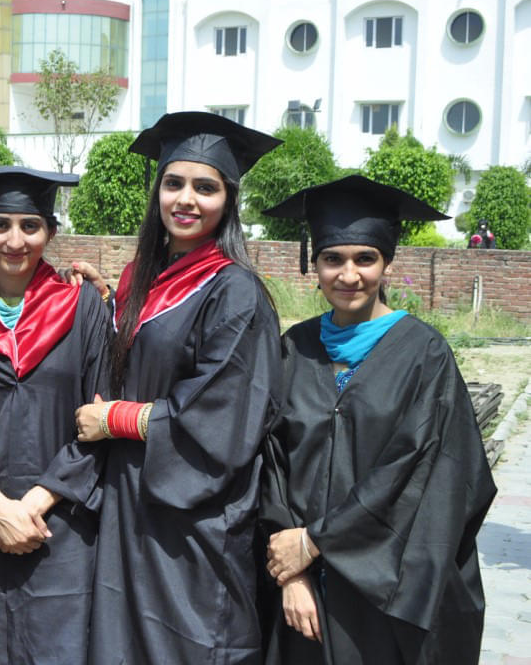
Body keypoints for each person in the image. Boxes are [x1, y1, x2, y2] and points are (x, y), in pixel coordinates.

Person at [69, 111, 283, 663]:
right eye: (173, 183)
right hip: (131, 499)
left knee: (187, 643)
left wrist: (115, 418)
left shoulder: (235, 291)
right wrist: (106, 303)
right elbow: (147, 353)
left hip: (194, 513)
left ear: (228, 200)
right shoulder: (144, 277)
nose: (186, 199)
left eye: (205, 187)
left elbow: (223, 412)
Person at [259, 175, 496, 664]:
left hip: (386, 594)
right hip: (302, 597)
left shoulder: (425, 355)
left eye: (364, 259)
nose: (349, 275)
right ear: (314, 264)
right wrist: (292, 570)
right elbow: (271, 463)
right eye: (333, 259)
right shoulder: (293, 349)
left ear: (388, 263)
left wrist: (317, 541)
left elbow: (420, 475)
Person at [0, 166, 110, 664]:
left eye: (30, 226)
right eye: (0, 225)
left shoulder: (83, 308)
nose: (15, 241)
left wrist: (32, 505)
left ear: (50, 232)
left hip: (61, 527)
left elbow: (101, 418)